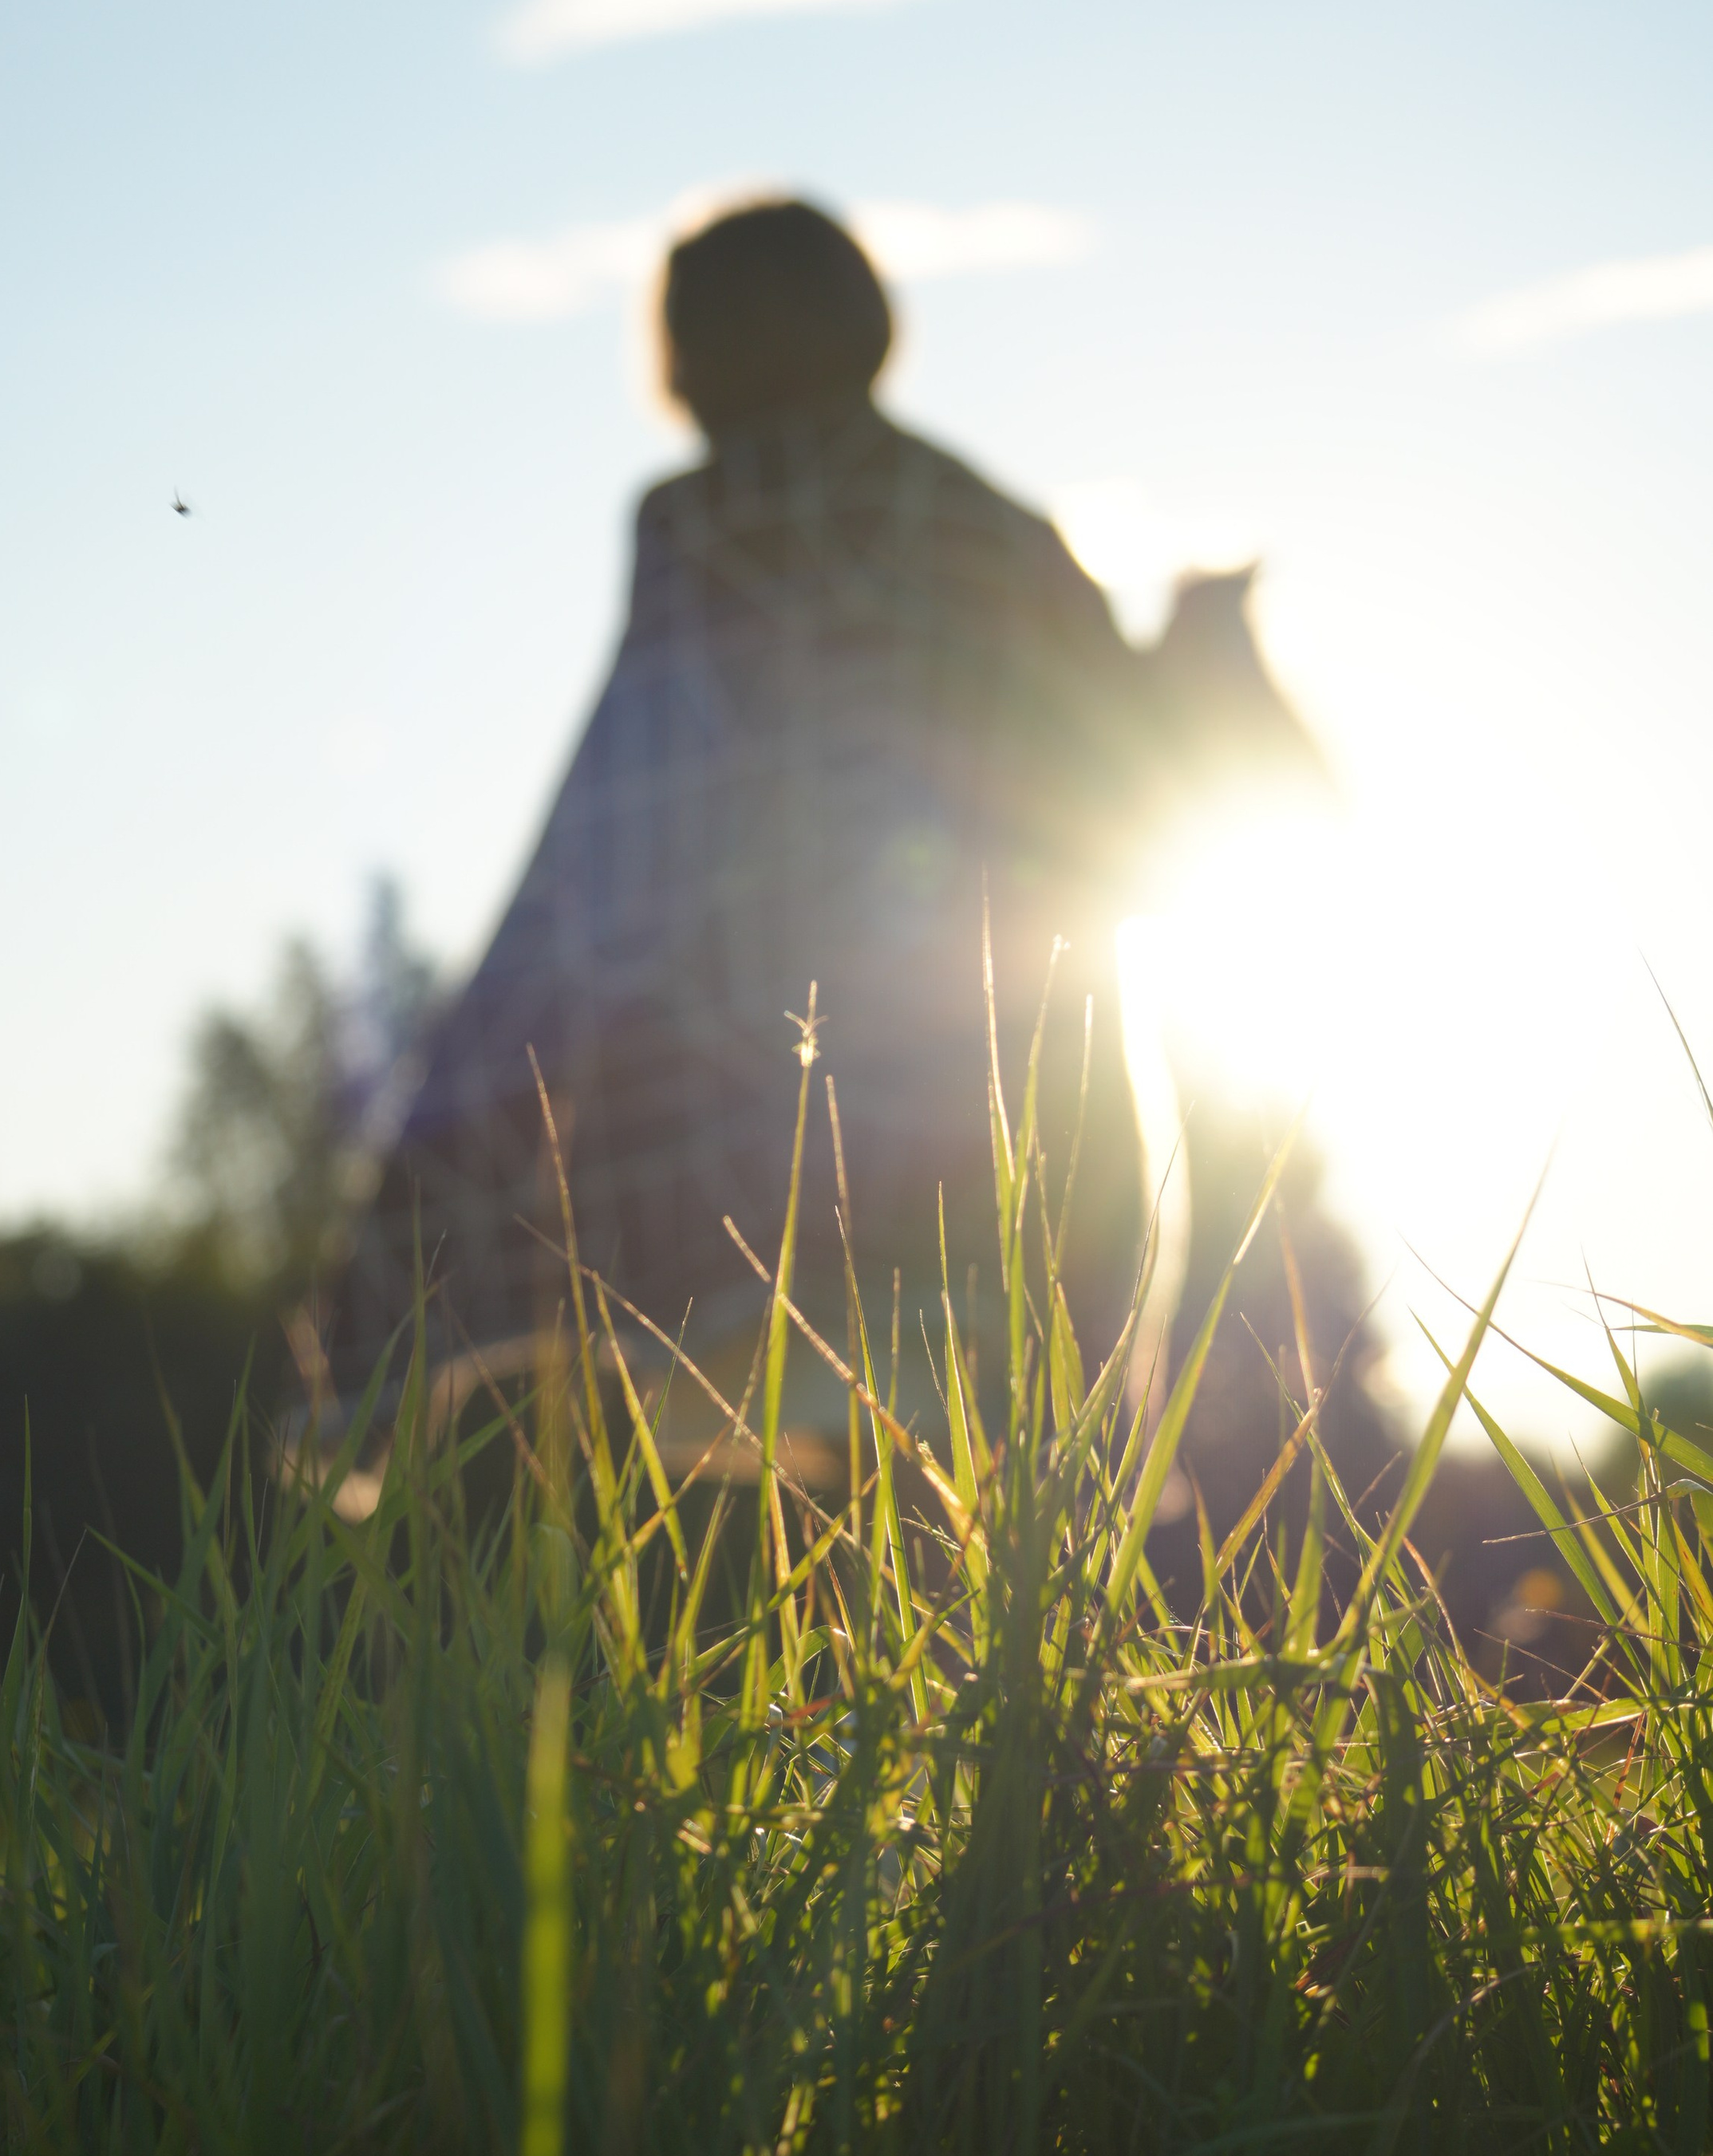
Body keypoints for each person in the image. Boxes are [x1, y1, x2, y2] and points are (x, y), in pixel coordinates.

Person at [337, 196, 1320, 1468]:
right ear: (866, 323)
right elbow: (1138, 813)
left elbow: (600, 867)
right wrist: (1204, 638)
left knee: (749, 1480)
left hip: (734, 1137)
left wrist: (438, 1160)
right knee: (990, 1492)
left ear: (689, 361)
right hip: (1003, 1117)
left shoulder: (697, 537)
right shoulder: (998, 537)